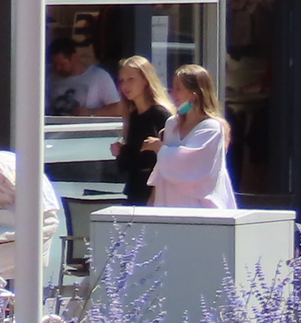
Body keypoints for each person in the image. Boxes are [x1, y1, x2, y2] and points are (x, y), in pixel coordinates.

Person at [153, 63, 238, 209]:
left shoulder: (212, 128)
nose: (173, 94)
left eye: (178, 89)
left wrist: (160, 149)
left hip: (201, 208)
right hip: (170, 204)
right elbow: (163, 170)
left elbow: (193, 164)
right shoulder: (172, 124)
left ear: (194, 95)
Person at [108, 55, 171, 206]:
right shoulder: (133, 116)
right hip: (135, 191)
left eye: (131, 79)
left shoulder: (160, 114)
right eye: (122, 80)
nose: (125, 86)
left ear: (145, 80)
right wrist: (121, 152)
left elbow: (167, 160)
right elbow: (129, 166)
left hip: (155, 194)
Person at [47, 38, 127, 119]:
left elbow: (118, 110)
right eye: (54, 65)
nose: (58, 68)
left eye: (62, 64)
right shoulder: (50, 78)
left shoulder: (99, 76)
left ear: (74, 58)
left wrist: (90, 112)